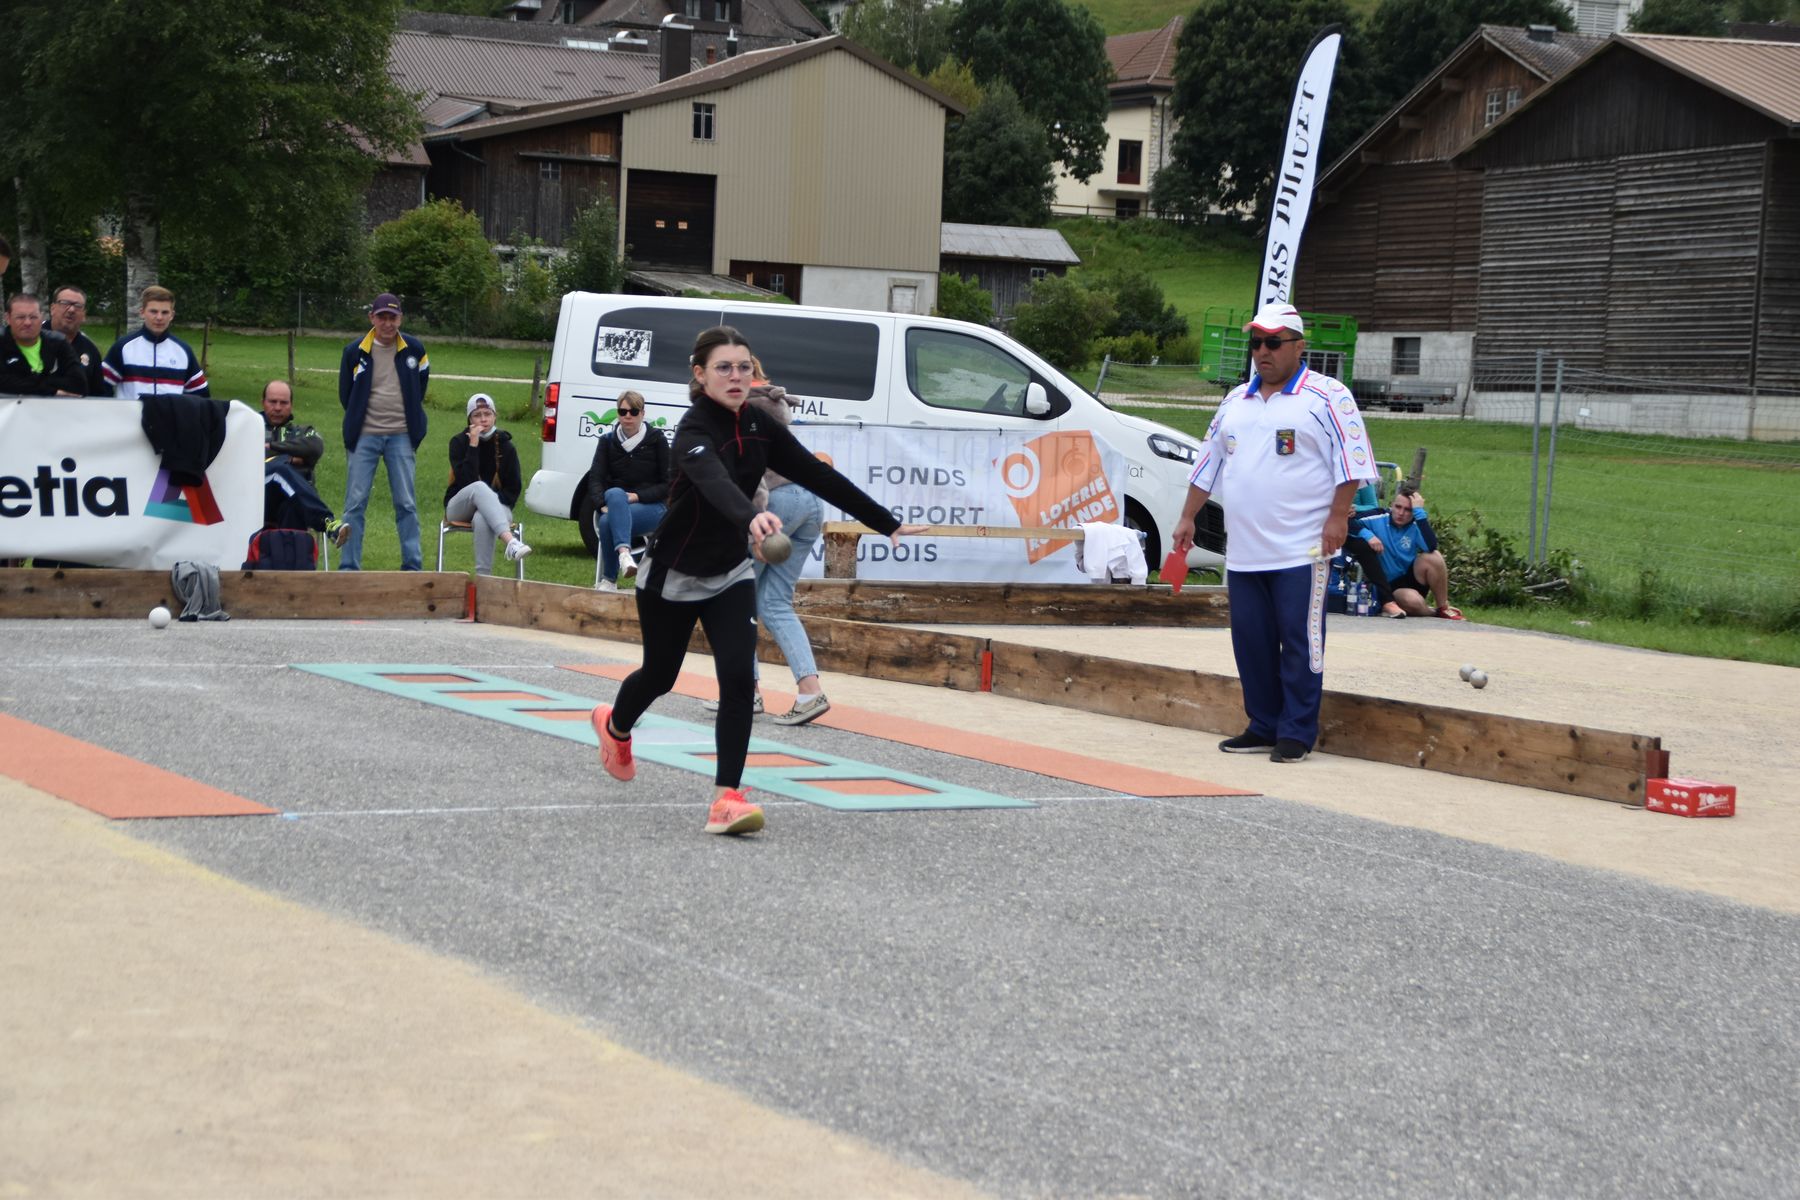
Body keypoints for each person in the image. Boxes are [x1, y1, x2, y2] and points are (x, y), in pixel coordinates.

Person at [590, 325, 922, 837]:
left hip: (730, 572)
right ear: (700, 375)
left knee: (740, 682)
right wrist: (752, 516)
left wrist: (887, 522)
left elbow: (817, 474)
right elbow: (715, 483)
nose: (736, 376)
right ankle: (615, 726)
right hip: (672, 574)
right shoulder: (693, 430)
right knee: (659, 675)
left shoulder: (760, 425)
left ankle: (726, 799)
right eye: (724, 367)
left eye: (744, 367)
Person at [1171, 301, 1378, 764]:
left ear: (1299, 347)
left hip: (1302, 548)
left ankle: (1297, 732)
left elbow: (1352, 460)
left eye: (1273, 342)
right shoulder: (1234, 401)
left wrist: (1338, 516)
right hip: (1245, 550)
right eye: (1256, 343)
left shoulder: (1328, 396)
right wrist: (1187, 517)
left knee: (1300, 641)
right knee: (1251, 642)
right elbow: (1207, 464)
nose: (1262, 352)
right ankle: (1262, 724)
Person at [702, 359, 832, 725]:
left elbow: (753, 475)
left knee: (736, 602)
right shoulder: (775, 403)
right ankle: (809, 691)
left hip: (775, 503)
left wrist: (752, 532)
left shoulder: (744, 409)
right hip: (809, 502)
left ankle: (746, 693)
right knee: (774, 603)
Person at [338, 292, 430, 571]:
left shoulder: (415, 349)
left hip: (401, 435)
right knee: (355, 504)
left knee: (406, 503)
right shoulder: (354, 351)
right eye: (382, 317)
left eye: (393, 317)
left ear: (400, 319)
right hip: (364, 436)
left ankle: (412, 566)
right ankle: (349, 567)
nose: (388, 324)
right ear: (372, 318)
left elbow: (420, 387)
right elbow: (346, 394)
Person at [587, 389, 670, 591]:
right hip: (616, 503)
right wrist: (601, 504)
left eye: (633, 412)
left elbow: (668, 484)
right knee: (613, 496)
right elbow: (595, 478)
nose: (628, 416)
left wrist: (637, 496)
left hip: (653, 507)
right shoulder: (607, 441)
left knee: (608, 521)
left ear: (642, 413)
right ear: (618, 413)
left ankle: (609, 579)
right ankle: (624, 555)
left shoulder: (657, 440)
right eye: (622, 412)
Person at [444, 392, 531, 574]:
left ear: (494, 416)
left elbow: (513, 490)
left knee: (483, 517)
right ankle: (510, 541)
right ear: (470, 419)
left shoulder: (506, 446)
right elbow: (465, 481)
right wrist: (473, 445)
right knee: (478, 487)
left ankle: (484, 578)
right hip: (461, 505)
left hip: (499, 507)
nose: (483, 419)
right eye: (477, 415)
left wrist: (487, 504)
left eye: (487, 414)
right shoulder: (458, 442)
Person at [1351, 484, 1463, 619]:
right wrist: (1367, 535)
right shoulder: (1377, 516)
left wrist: (1419, 513)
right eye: (1398, 507)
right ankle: (1432, 612)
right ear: (1392, 505)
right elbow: (1347, 520)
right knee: (1412, 601)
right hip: (1390, 585)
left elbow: (1431, 546)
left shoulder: (1417, 523)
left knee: (1434, 556)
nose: (1401, 513)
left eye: (1408, 510)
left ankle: (1443, 607)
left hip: (1411, 576)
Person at [101, 285, 208, 400]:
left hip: (170, 412)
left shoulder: (183, 351)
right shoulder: (123, 347)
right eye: (153, 311)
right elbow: (101, 387)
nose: (159, 317)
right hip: (133, 412)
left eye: (165, 312)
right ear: (142, 312)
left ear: (172, 315)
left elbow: (201, 395)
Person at [0, 293, 86, 397]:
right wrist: (51, 390)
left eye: (33, 317)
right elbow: (3, 383)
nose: (27, 323)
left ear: (42, 317)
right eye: (20, 317)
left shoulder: (57, 342)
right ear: (8, 318)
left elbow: (79, 383)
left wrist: (29, 382)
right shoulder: (2, 342)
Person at [47, 285, 110, 396]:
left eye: (77, 306)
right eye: (65, 303)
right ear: (52, 308)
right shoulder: (32, 340)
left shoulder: (90, 350)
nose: (71, 310)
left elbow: (98, 394)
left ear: (84, 315)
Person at [261, 379, 324, 482]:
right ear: (263, 403)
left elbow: (316, 447)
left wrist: (271, 447)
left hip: (297, 489)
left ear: (291, 405)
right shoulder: (251, 431)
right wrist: (290, 459)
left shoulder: (302, 432)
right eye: (273, 402)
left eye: (284, 403)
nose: (277, 408)